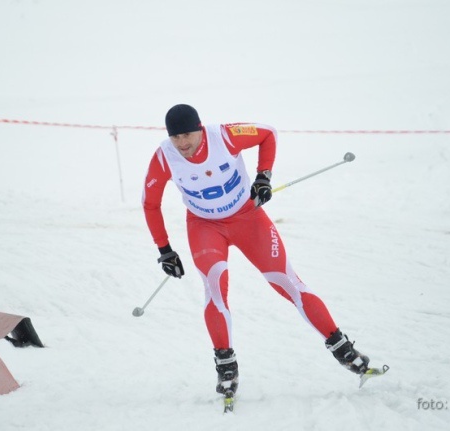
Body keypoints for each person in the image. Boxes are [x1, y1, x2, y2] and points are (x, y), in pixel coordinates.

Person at [141, 104, 371, 397]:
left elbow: (268, 134)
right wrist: (164, 249)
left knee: (287, 282)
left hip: (248, 219)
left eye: (187, 135)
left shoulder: (225, 136)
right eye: (175, 138)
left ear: (199, 128)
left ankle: (343, 349)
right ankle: (226, 365)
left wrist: (264, 176)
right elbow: (150, 203)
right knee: (214, 287)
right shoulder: (164, 156)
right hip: (204, 227)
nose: (182, 144)